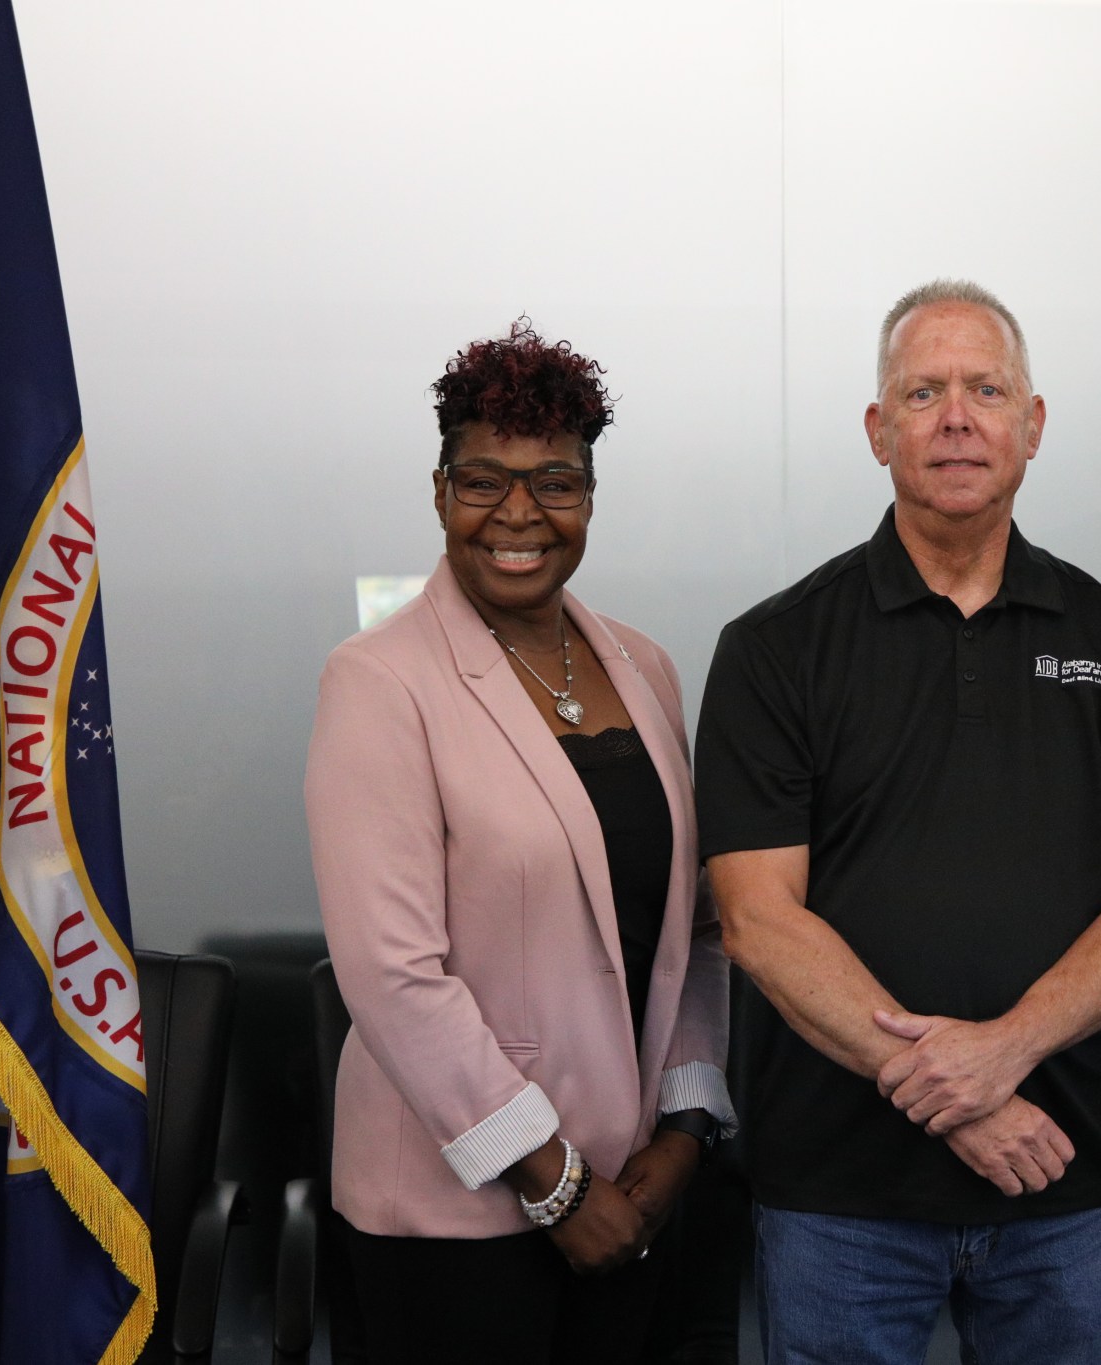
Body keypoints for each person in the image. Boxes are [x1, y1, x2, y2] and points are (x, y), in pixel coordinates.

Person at [695, 280, 1101, 1364]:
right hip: (840, 1194)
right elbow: (755, 921)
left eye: (985, 389)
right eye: (921, 392)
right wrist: (963, 1098)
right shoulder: (774, 648)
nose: (956, 417)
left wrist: (1005, 1051)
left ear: (1032, 424)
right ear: (879, 430)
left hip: (1065, 1172)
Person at [304, 320, 734, 1364]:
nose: (518, 516)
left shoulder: (646, 667)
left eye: (554, 483)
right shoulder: (379, 681)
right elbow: (395, 979)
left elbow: (692, 935)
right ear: (439, 488)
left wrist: (684, 1129)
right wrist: (553, 1182)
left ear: (590, 495)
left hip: (634, 1188)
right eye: (482, 481)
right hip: (454, 1214)